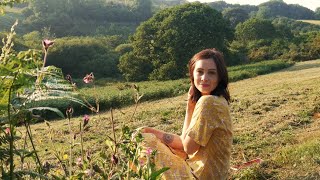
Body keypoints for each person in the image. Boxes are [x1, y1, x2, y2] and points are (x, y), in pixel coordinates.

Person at [139, 48, 233, 179]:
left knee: (143, 139)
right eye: (200, 72)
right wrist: (151, 132)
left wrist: (189, 109)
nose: (204, 78)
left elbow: (187, 148)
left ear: (219, 77)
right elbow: (186, 142)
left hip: (199, 176)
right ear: (192, 74)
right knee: (144, 133)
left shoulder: (208, 102)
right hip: (213, 174)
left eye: (211, 73)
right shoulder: (219, 100)